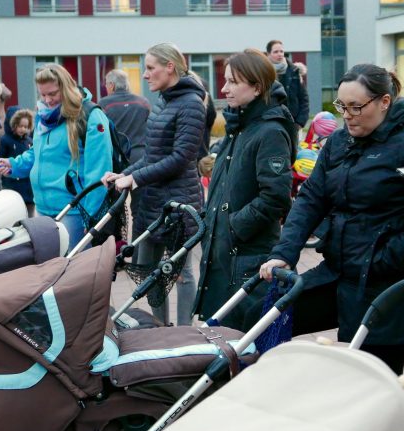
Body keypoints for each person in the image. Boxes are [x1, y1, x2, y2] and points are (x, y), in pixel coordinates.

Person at [258, 63, 404, 374]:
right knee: (266, 319)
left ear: (384, 102)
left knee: (373, 380)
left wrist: (384, 259)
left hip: (386, 285)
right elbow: (311, 198)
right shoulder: (339, 141)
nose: (347, 115)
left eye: (356, 107)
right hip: (338, 272)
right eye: (342, 106)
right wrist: (285, 252)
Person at [102, 43, 206, 326]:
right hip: (153, 201)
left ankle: (183, 332)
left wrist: (135, 179)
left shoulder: (191, 104)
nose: (145, 75)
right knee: (149, 271)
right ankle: (160, 328)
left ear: (169, 67)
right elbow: (151, 156)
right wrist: (122, 174)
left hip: (179, 202)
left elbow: (180, 158)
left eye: (150, 68)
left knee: (181, 273)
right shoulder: (162, 101)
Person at [193, 49, 297, 329]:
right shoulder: (240, 125)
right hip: (227, 255)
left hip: (248, 260)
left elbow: (276, 196)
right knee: (222, 337)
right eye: (225, 80)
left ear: (257, 87)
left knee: (244, 341)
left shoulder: (270, 131)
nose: (224, 89)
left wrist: (234, 225)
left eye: (233, 82)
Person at [0, 63, 113, 250]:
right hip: (42, 209)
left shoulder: (91, 117)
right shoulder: (43, 115)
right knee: (49, 265)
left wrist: (91, 216)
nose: (47, 100)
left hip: (75, 213)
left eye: (53, 94)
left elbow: (99, 170)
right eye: (42, 95)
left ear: (66, 88)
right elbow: (38, 153)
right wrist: (14, 164)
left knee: (74, 266)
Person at [99, 69, 151, 228]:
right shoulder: (143, 102)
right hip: (140, 157)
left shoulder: (103, 105)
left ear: (111, 85)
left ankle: (119, 239)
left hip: (116, 161)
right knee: (140, 208)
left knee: (115, 207)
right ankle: (139, 240)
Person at [0, 107, 35, 217]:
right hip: (11, 184)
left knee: (29, 213)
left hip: (28, 187)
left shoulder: (29, 142)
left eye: (26, 127)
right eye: (20, 126)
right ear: (13, 125)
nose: (23, 129)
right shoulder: (5, 140)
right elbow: (0, 159)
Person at [266, 39, 310, 130]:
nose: (280, 54)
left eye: (281, 51)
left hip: (293, 123)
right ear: (268, 54)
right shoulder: (264, 73)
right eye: (276, 52)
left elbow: (304, 98)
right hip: (270, 124)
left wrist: (300, 122)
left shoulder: (294, 71)